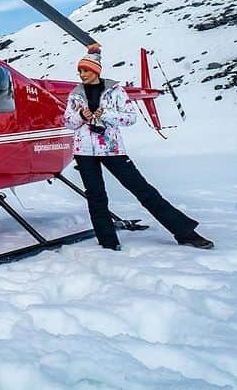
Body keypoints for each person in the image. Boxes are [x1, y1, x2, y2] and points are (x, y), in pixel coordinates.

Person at [64, 44, 214, 251]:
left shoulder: (115, 91)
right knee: (96, 196)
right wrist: (81, 116)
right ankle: (108, 243)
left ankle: (185, 232)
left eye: (86, 70)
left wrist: (104, 114)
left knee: (142, 190)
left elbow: (130, 118)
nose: (82, 75)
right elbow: (68, 122)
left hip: (112, 149)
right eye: (80, 71)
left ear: (96, 71)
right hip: (84, 152)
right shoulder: (75, 95)